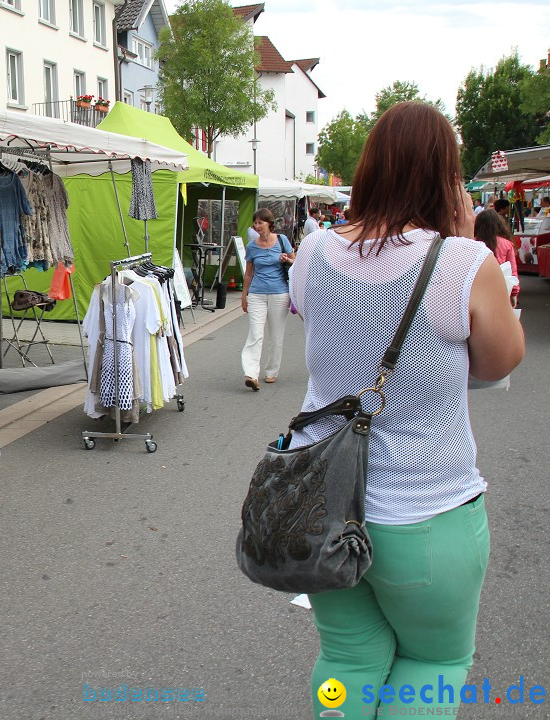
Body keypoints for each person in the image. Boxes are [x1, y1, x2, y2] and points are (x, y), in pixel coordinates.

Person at [287, 102, 524, 718]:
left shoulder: (313, 252)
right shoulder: (465, 262)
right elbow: (499, 361)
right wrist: (466, 243)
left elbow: (323, 325)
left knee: (348, 656)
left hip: (322, 499)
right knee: (434, 661)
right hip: (428, 508)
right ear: (446, 176)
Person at [240, 208, 294, 390]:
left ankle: (271, 371)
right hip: (257, 293)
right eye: (255, 223)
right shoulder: (252, 246)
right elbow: (248, 274)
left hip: (279, 292)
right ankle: (251, 374)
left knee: (276, 335)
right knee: (255, 334)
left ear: (269, 223)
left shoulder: (281, 240)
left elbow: (296, 262)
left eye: (260, 223)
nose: (257, 226)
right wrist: (244, 296)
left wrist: (286, 259)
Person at [473, 208, 519, 307]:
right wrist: (514, 292)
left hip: (476, 286)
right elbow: (512, 270)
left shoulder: (472, 243)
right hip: (500, 287)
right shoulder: (507, 244)